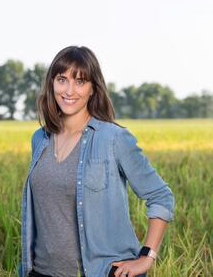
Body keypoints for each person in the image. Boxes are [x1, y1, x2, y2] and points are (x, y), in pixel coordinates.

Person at [18, 46, 175, 277]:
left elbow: (160, 195)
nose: (69, 90)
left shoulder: (113, 138)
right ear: (52, 83)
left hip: (99, 272)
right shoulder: (39, 138)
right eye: (62, 79)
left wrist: (146, 257)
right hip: (40, 272)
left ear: (93, 88)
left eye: (80, 81)